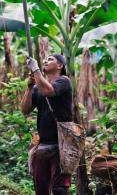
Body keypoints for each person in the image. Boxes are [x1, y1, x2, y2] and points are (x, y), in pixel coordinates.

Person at [21, 54, 73, 195]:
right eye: (45, 59)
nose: (45, 61)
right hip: (43, 145)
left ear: (60, 66)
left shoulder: (64, 81)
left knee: (60, 189)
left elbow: (49, 91)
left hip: (61, 145)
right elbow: (25, 109)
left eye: (50, 59)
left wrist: (36, 68)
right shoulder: (38, 88)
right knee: (41, 189)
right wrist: (30, 87)